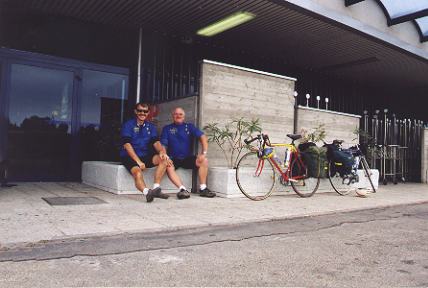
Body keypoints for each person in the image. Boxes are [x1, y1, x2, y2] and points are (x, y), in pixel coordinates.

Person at [161, 107, 216, 199]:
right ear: (172, 116)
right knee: (168, 165)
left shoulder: (189, 127)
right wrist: (165, 155)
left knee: (204, 161)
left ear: (184, 117)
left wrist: (204, 153)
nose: (178, 116)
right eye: (176, 114)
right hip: (173, 158)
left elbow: (202, 137)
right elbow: (163, 144)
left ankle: (203, 188)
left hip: (187, 158)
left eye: (180, 114)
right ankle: (182, 190)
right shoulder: (167, 128)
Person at [120, 102, 170, 202]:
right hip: (129, 156)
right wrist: (138, 161)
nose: (142, 113)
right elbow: (127, 145)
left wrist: (161, 152)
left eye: (145, 111)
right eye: (140, 111)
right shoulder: (128, 125)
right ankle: (147, 192)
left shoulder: (150, 127)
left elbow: (156, 142)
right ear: (135, 111)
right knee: (137, 173)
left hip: (145, 155)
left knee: (164, 159)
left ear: (148, 113)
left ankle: (156, 188)